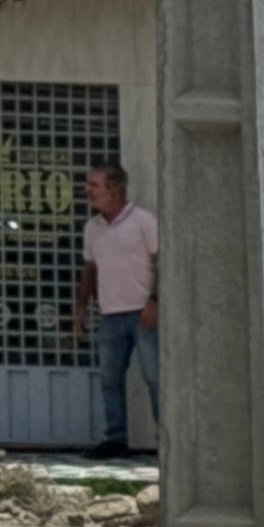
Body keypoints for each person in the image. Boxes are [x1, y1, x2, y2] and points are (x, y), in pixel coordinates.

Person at [69, 162, 159, 456]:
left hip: (143, 315)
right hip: (110, 315)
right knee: (110, 379)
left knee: (155, 377)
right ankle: (116, 439)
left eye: (94, 186)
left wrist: (154, 300)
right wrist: (81, 307)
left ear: (115, 189)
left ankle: (168, 440)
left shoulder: (144, 221)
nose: (88, 191)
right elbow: (89, 269)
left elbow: (162, 261)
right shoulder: (92, 228)